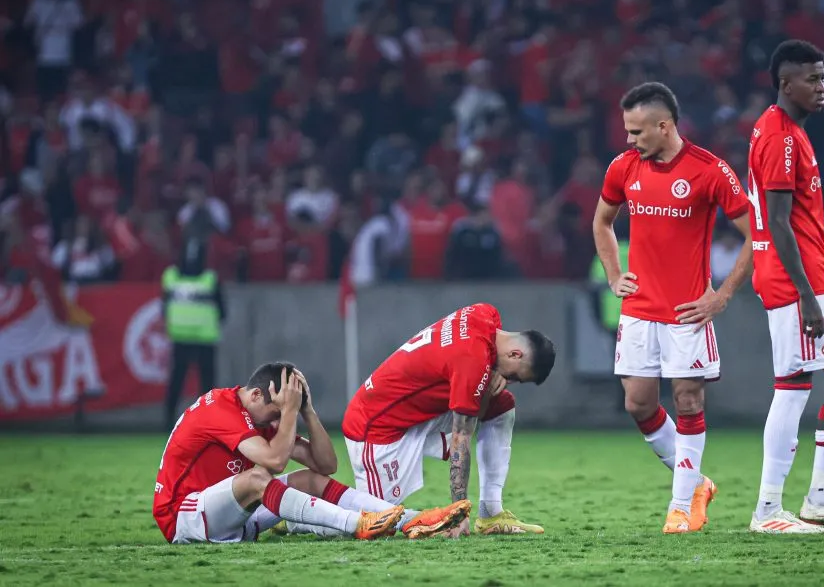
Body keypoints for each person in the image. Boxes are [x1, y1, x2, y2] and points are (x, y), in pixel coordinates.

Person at [592, 82, 753, 534]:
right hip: (639, 310)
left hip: (687, 312)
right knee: (637, 403)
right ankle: (698, 484)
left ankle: (680, 506)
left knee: (687, 398)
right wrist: (612, 273)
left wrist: (721, 295)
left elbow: (756, 235)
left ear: (665, 126)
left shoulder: (710, 171)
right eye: (627, 131)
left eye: (637, 131)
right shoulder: (623, 168)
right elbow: (602, 222)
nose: (629, 140)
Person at [745, 40, 824, 534]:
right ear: (786, 83)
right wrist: (803, 291)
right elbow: (778, 222)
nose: (823, 88)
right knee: (793, 387)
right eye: (813, 79)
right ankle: (768, 511)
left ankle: (819, 498)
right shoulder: (779, 136)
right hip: (792, 281)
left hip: (813, 277)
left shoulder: (789, 131)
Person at [153, 362, 470, 544]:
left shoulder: (262, 412)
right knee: (258, 477)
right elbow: (275, 461)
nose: (278, 422)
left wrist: (306, 411)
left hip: (231, 518)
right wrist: (288, 412)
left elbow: (326, 465)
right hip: (185, 518)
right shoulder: (221, 410)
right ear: (255, 394)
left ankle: (413, 520)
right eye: (275, 413)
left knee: (310, 480)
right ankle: (354, 524)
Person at [342, 303, 555, 537]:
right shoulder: (473, 360)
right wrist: (459, 513)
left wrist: (492, 374)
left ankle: (491, 513)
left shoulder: (485, 314)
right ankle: (302, 512)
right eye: (514, 376)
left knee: (501, 405)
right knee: (373, 524)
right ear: (515, 354)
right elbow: (461, 437)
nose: (509, 380)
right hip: (376, 429)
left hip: (416, 416)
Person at [161, 238, 225, 431]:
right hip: (205, 336)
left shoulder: (170, 276)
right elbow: (223, 311)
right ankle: (207, 422)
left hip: (180, 335)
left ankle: (168, 422)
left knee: (177, 379)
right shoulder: (210, 279)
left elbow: (164, 307)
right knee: (207, 382)